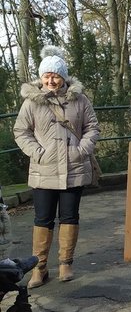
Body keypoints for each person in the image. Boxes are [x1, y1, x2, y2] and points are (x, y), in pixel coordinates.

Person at [14, 46, 101, 287]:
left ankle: (65, 263)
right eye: (46, 76)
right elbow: (21, 131)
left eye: (55, 75)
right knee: (42, 218)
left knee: (69, 217)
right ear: (41, 78)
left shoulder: (80, 100)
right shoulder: (32, 103)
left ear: (63, 76)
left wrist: (81, 150)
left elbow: (92, 127)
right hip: (44, 169)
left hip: (73, 168)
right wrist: (37, 153)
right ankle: (39, 268)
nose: (51, 80)